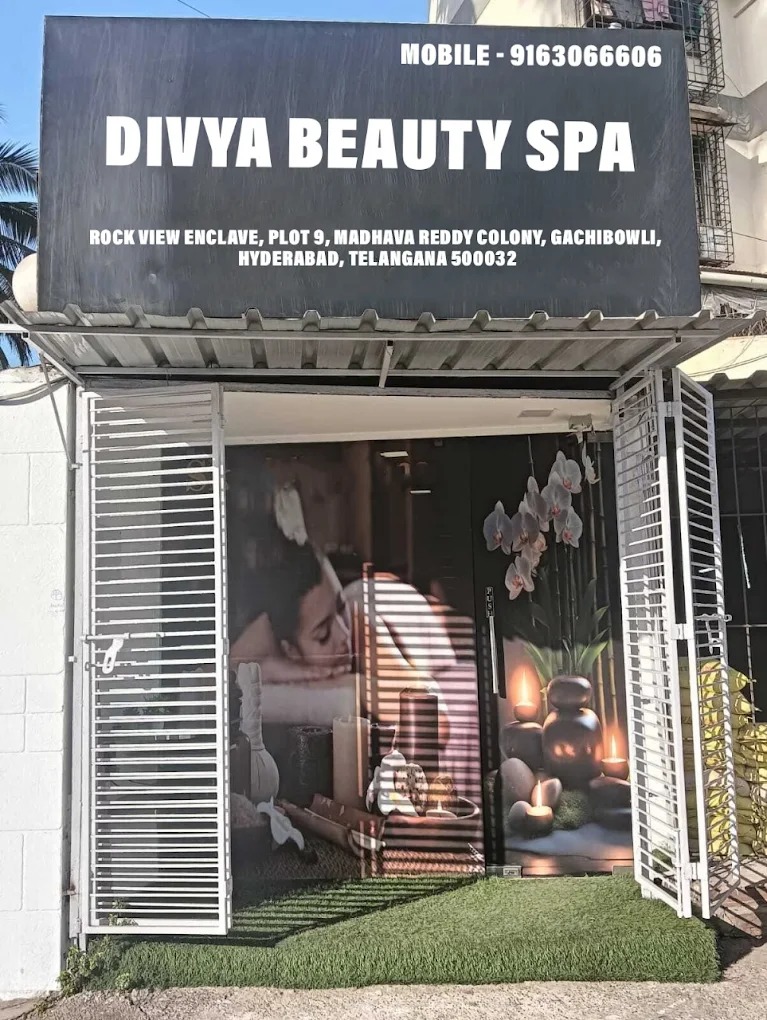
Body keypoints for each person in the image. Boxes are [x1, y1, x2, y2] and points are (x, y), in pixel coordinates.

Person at [230, 534, 452, 747]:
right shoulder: (271, 635)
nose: (343, 634)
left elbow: (436, 722)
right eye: (324, 635)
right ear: (290, 651)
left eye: (340, 607)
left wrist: (355, 684)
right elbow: (227, 672)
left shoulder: (357, 620)